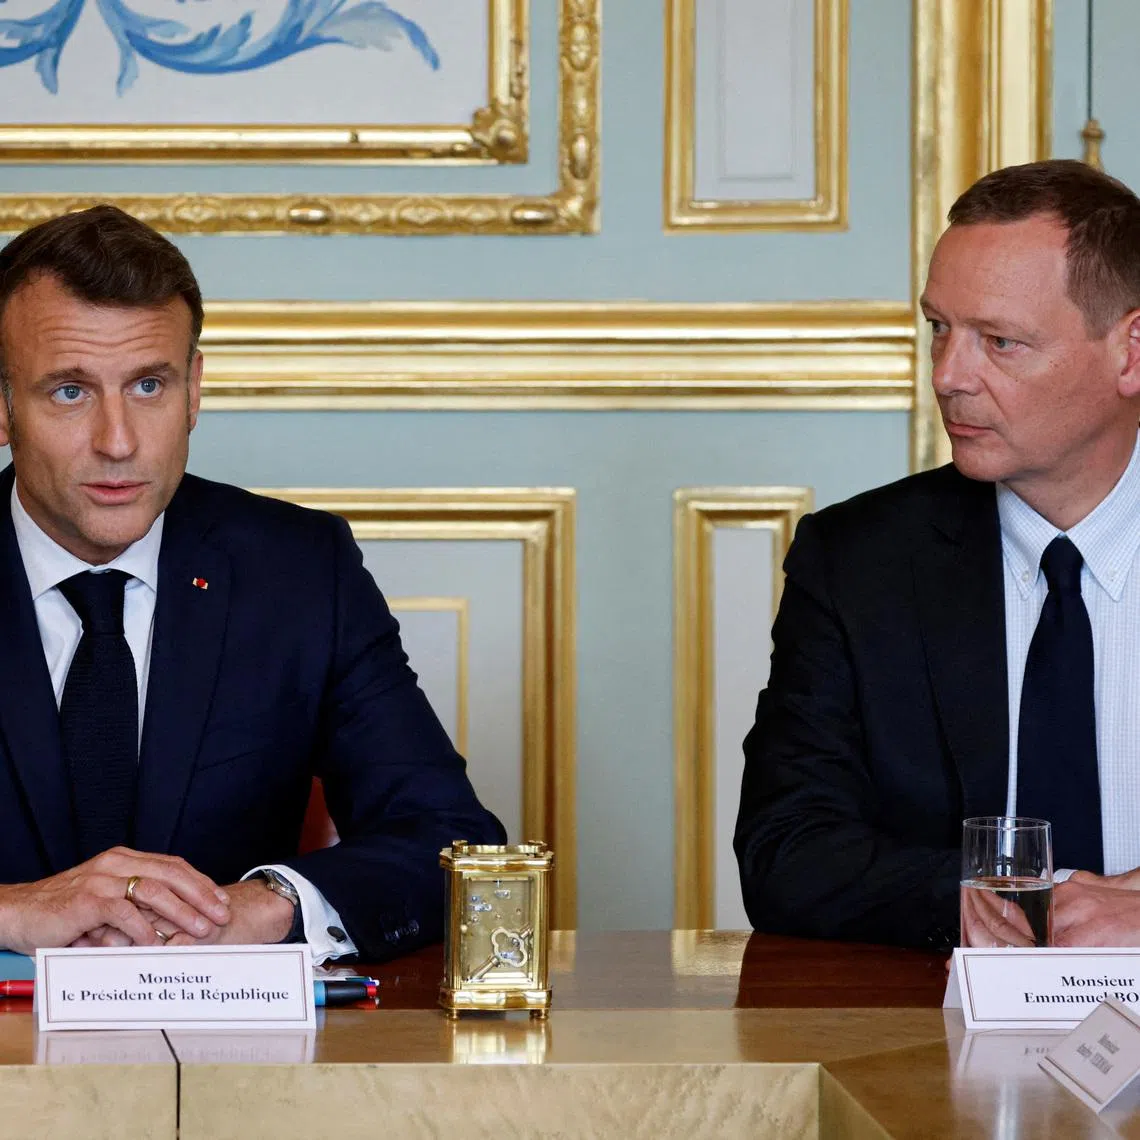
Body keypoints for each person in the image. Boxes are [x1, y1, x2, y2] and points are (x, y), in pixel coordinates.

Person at [0, 205, 505, 961]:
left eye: (148, 386)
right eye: (70, 391)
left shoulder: (299, 571)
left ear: (194, 388)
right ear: (3, 405)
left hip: (234, 1059)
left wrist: (268, 906)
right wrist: (10, 910)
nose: (118, 441)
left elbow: (452, 843)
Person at [735, 158, 1140, 950]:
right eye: (939, 329)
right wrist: (993, 904)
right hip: (941, 1037)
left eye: (1001, 341)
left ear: (1130, 352)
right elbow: (787, 849)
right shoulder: (859, 561)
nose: (949, 377)